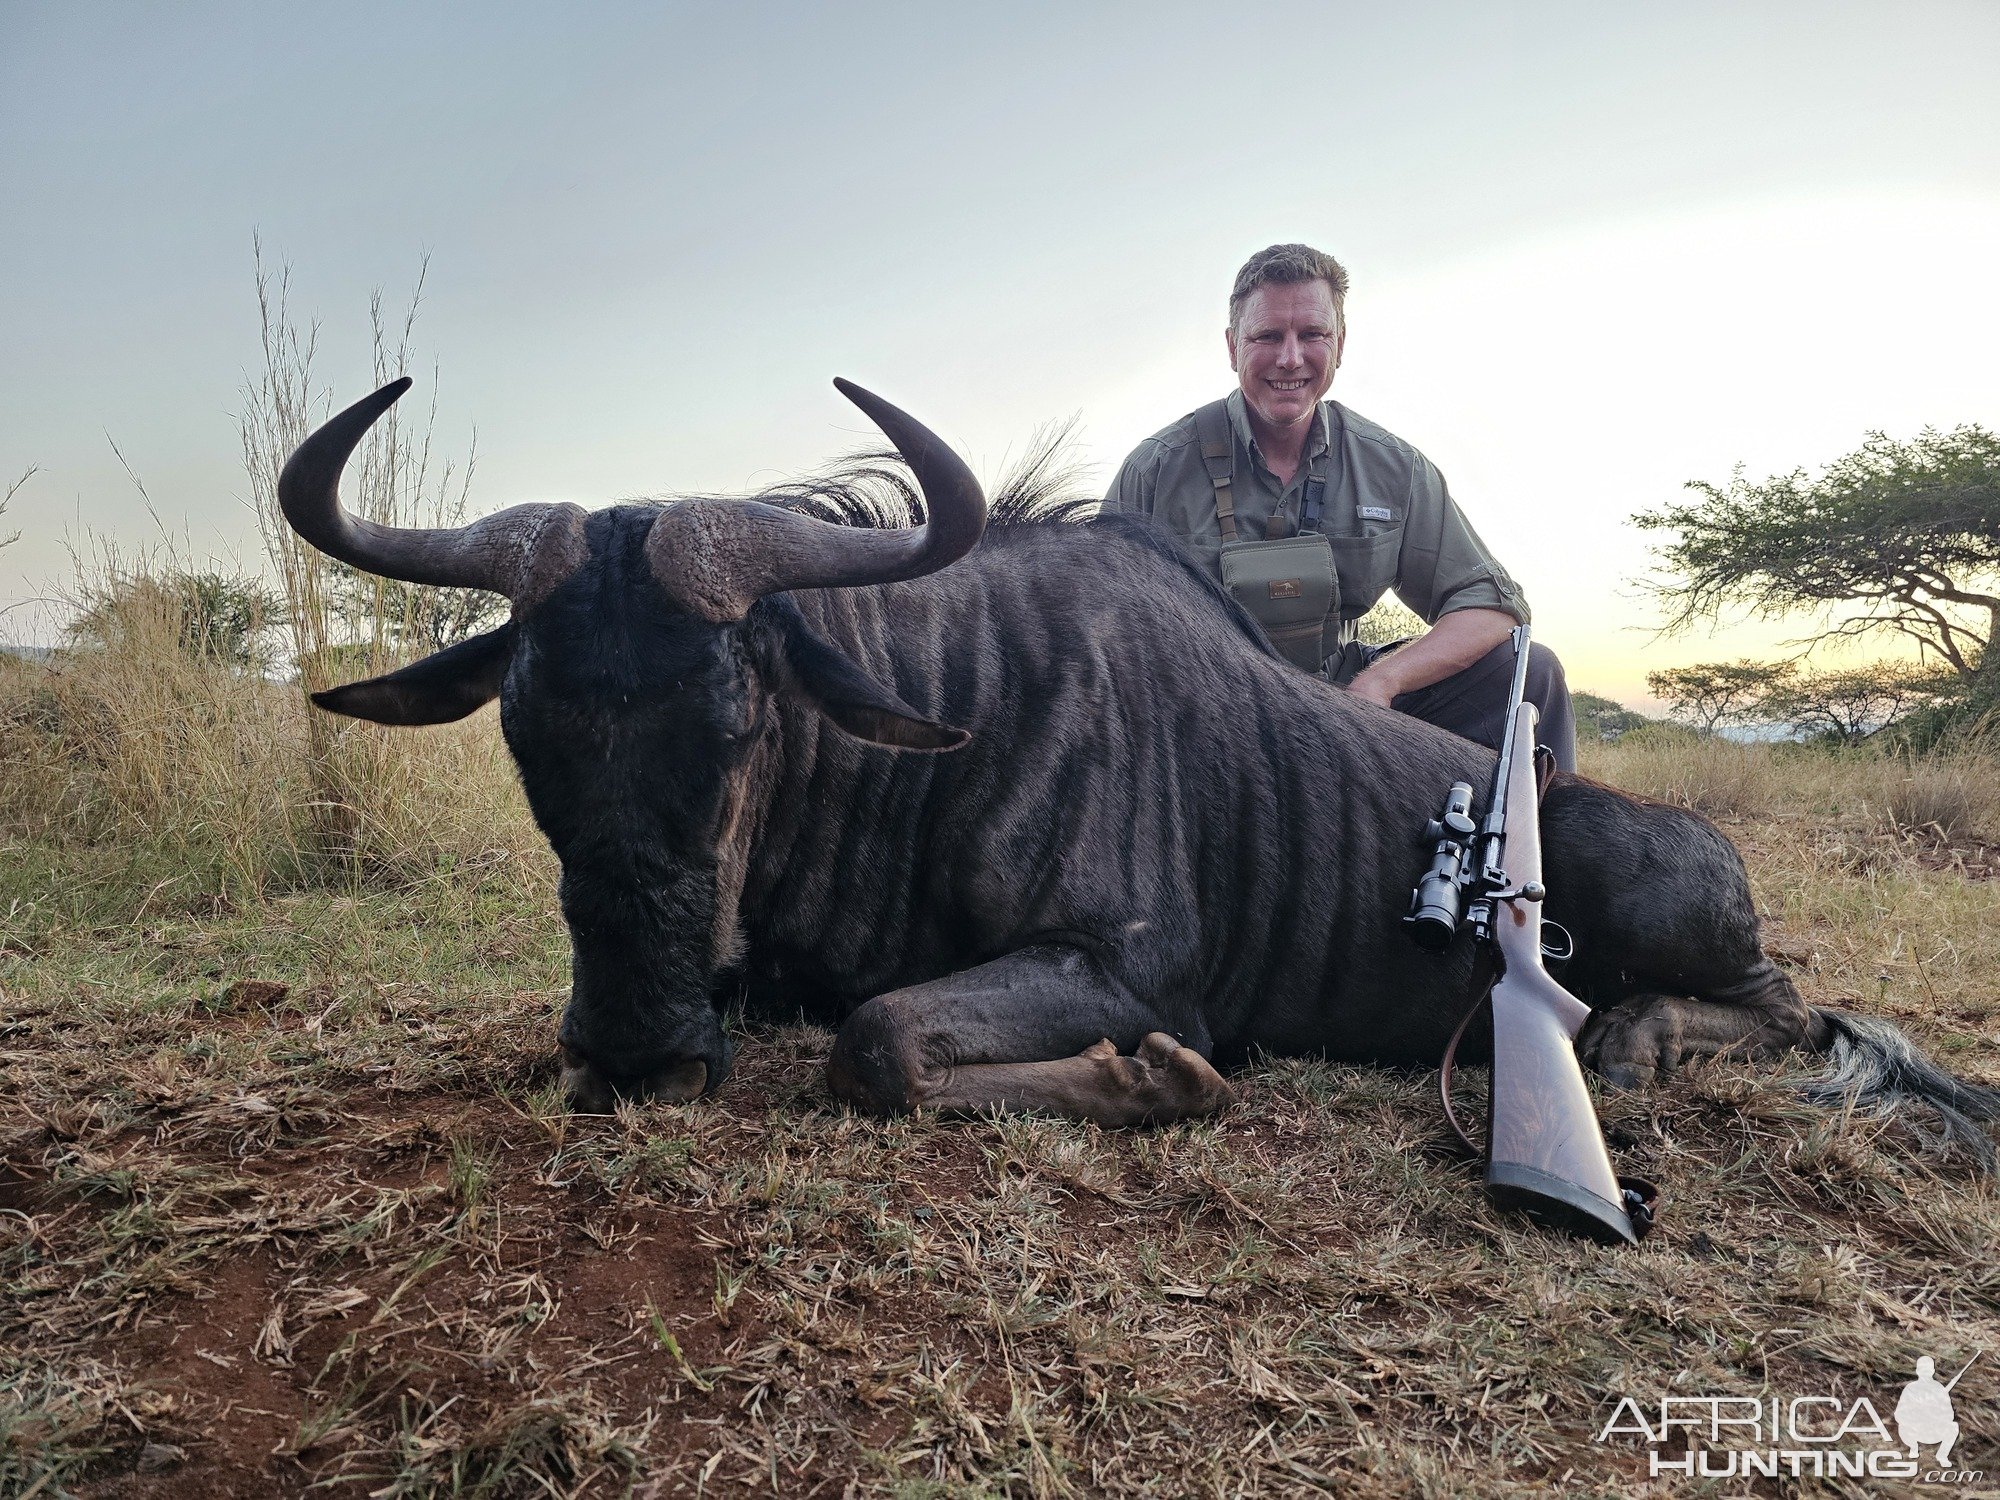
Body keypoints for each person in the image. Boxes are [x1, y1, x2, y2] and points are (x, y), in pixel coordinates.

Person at [1102, 243, 1577, 770]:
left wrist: (1383, 681)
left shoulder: (1394, 467)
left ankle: (1533, 849)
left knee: (1531, 672)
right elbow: (1095, 625)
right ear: (1233, 345)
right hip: (1200, 711)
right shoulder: (1155, 469)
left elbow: (1490, 604)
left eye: (1312, 335)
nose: (1290, 358)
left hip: (1345, 702)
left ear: (1340, 344)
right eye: (1266, 336)